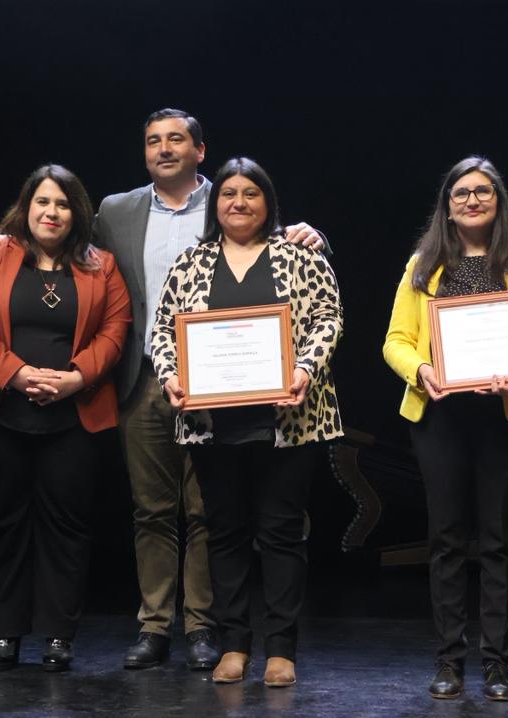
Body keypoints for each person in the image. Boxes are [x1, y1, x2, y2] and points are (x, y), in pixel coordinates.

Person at [93, 108, 325, 670]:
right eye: (153, 140)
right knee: (156, 511)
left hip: (259, 399)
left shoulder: (247, 217)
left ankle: (208, 630)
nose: (163, 148)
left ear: (200, 151)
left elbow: (312, 301)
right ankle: (157, 628)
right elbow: (90, 266)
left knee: (219, 518)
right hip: (158, 384)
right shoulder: (118, 212)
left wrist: (314, 235)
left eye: (176, 139)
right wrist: (2, 242)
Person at [151, 157, 343, 687]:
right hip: (214, 423)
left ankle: (281, 648)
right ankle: (234, 643)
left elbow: (329, 317)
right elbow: (163, 331)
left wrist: (305, 367)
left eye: (251, 193)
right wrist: (170, 374)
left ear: (268, 201)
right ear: (216, 204)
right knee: (226, 534)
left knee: (281, 534)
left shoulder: (300, 255)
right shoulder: (191, 262)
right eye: (229, 193)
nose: (239, 202)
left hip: (290, 419)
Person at [383, 157, 508, 701]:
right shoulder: (423, 263)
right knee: (445, 541)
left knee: (497, 542)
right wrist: (420, 370)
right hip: (440, 416)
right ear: (446, 205)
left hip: (505, 417)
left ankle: (497, 663)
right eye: (460, 193)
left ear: (498, 201)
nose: (471, 200)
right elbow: (395, 339)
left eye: (482, 192)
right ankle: (448, 661)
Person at [0, 165, 131, 672]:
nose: (51, 212)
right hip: (2, 415)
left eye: (61, 204)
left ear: (76, 212)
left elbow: (116, 328)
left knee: (67, 528)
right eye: (42, 202)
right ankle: (5, 634)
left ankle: (59, 635)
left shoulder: (101, 264)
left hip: (73, 419)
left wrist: (76, 378)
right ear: (26, 206)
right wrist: (14, 373)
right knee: (4, 525)